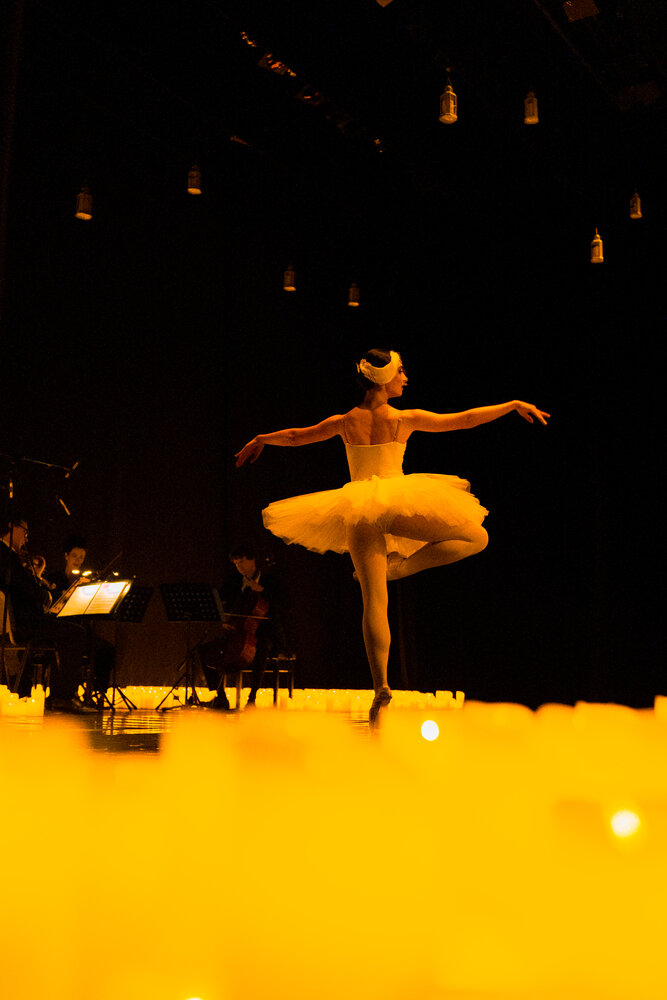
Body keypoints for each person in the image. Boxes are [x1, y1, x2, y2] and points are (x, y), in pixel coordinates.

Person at [235, 348, 549, 726]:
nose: (405, 378)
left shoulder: (344, 421)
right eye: (401, 372)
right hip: (393, 504)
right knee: (476, 537)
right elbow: (464, 420)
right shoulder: (402, 419)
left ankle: (380, 685)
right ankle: (400, 570)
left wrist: (262, 438)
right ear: (385, 380)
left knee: (374, 602)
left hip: (357, 510)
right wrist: (511, 405)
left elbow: (295, 436)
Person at [0, 512, 92, 712]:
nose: (26, 538)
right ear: (12, 527)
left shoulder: (8, 555)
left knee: (72, 630)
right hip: (25, 623)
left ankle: (61, 694)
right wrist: (47, 595)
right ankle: (62, 696)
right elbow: (25, 588)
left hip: (24, 620)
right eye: (25, 532)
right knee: (76, 633)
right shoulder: (6, 555)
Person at [196, 544, 286, 710]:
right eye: (236, 564)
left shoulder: (270, 582)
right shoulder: (234, 581)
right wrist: (225, 617)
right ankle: (220, 697)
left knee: (261, 646)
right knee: (205, 649)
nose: (239, 567)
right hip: (238, 632)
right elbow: (220, 600)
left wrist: (262, 590)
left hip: (266, 632)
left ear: (253, 561)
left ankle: (252, 698)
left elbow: (284, 606)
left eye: (242, 562)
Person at [46, 534, 116, 708]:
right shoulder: (54, 578)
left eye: (81, 557)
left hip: (80, 628)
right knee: (74, 643)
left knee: (106, 649)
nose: (78, 560)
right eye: (74, 556)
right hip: (60, 629)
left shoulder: (85, 582)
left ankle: (96, 694)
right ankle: (65, 694)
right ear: (66, 556)